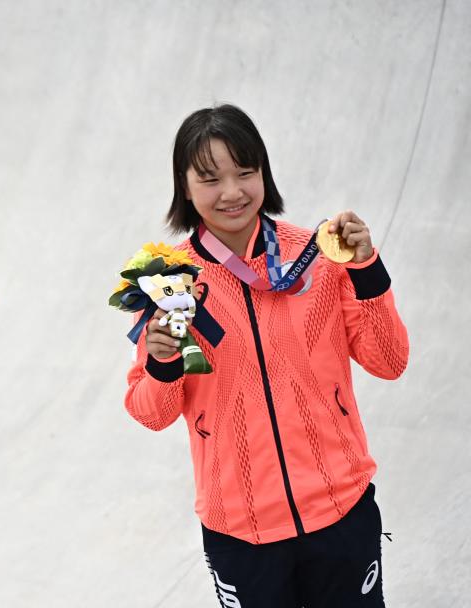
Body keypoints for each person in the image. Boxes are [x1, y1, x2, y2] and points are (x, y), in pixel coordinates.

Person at [124, 104, 408, 607]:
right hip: (241, 528)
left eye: (245, 172)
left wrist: (367, 271)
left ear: (264, 174)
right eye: (210, 179)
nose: (232, 192)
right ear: (184, 188)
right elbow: (150, 412)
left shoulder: (318, 257)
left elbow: (389, 360)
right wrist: (162, 365)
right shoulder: (168, 282)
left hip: (341, 510)